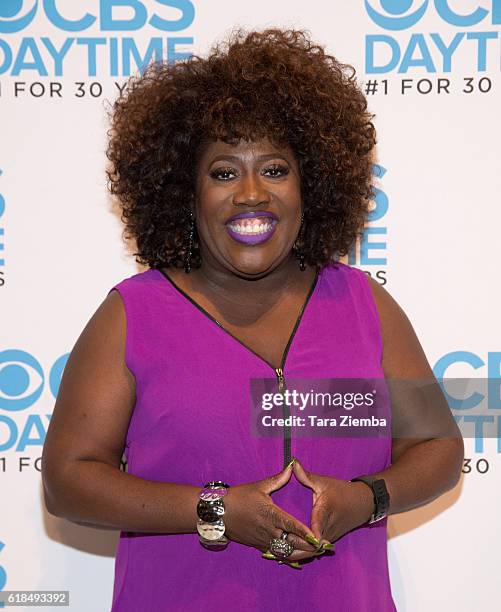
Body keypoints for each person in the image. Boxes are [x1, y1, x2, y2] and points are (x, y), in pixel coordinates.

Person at [41, 28, 463, 611]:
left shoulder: (368, 306)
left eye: (274, 169)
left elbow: (439, 446)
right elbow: (68, 479)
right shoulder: (131, 315)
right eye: (222, 172)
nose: (250, 194)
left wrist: (366, 500)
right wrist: (215, 511)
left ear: (310, 184)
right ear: (184, 193)